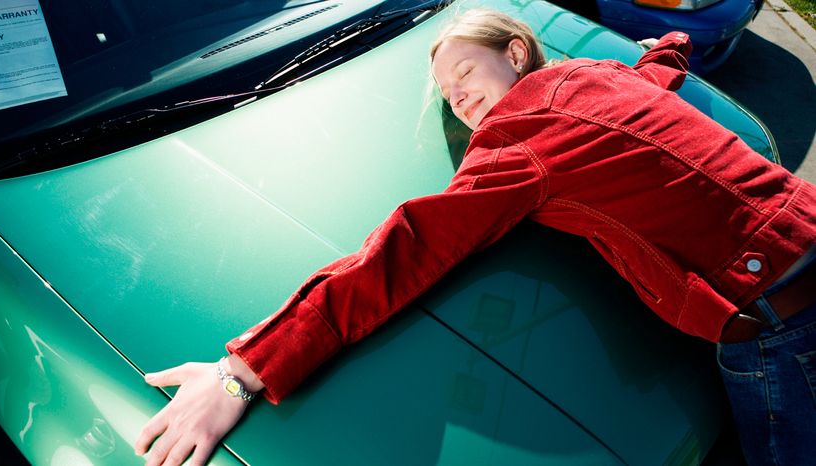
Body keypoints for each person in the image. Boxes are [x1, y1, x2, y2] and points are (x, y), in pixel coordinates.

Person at [134, 8, 816, 466]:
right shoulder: (594, 76)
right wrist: (663, 50)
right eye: (446, 93)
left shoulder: (520, 141)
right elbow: (653, 75)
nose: (457, 98)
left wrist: (241, 373)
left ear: (515, 53)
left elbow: (404, 251)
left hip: (782, 328)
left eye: (463, 73)